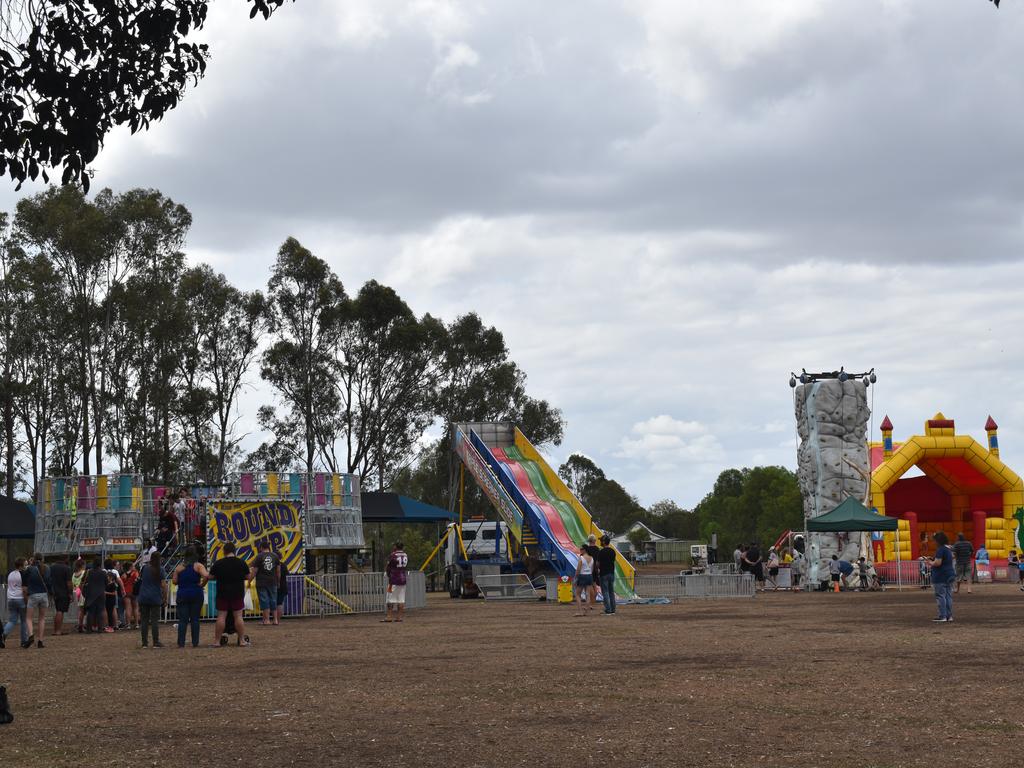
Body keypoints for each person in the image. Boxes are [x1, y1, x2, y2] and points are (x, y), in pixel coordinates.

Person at [209, 541, 251, 646]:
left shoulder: (218, 563)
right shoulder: (241, 562)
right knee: (238, 617)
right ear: (234, 551)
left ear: (224, 551)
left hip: (222, 593)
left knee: (221, 617)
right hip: (237, 593)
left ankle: (217, 641)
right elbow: (248, 577)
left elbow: (210, 577)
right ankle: (241, 640)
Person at [172, 545, 209, 648]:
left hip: (183, 593)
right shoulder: (198, 566)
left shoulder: (179, 568)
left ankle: (181, 642)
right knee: (195, 619)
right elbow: (206, 576)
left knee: (183, 620)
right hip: (196, 593)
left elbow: (174, 581)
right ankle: (195, 642)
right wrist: (202, 585)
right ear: (195, 555)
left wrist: (182, 581)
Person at [137, 552, 166, 647]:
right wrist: (165, 598)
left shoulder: (145, 568)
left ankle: (144, 643)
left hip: (144, 596)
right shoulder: (160, 569)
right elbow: (163, 585)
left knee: (144, 621)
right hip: (155, 597)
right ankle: (155, 641)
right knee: (154, 621)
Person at [250, 540, 280, 626]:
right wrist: (278, 581)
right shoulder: (275, 556)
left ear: (261, 548)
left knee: (264, 600)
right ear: (268, 547)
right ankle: (275, 620)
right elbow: (278, 571)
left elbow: (254, 571)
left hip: (261, 582)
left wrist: (249, 580)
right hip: (273, 581)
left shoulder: (259, 556)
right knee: (273, 600)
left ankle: (266, 620)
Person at [23, 553, 49, 649]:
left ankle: (30, 635)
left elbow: (24, 583)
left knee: (29, 618)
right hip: (44, 595)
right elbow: (49, 581)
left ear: (33, 559)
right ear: (42, 559)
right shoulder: (47, 568)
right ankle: (40, 641)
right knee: (42, 618)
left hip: (33, 595)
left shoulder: (30, 569)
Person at [929, 531, 955, 622]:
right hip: (949, 574)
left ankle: (942, 616)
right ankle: (949, 616)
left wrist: (930, 562)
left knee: (940, 596)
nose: (934, 542)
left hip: (940, 576)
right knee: (948, 595)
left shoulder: (940, 549)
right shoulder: (948, 549)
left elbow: (938, 563)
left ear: (938, 541)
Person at [2, 558, 28, 648]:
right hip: (20, 598)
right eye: (25, 564)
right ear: (21, 566)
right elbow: (24, 589)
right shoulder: (23, 574)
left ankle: (3, 635)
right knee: (24, 620)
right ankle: (24, 641)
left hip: (11, 599)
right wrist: (26, 600)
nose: (26, 566)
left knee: (12, 620)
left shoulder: (11, 574)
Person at [383, 540, 409, 623]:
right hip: (403, 579)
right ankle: (399, 617)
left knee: (390, 598)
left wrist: (387, 573)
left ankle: (389, 616)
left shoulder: (393, 555)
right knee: (401, 599)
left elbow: (388, 566)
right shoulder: (405, 555)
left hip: (394, 579)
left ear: (395, 547)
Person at [48, 554, 72, 636]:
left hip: (55, 592)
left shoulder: (52, 567)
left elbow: (49, 579)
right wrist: (70, 593)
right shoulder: (67, 568)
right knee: (60, 611)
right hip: (64, 592)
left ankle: (57, 630)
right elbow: (69, 583)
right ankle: (58, 631)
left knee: (58, 610)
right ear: (65, 559)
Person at [83, 559, 108, 633]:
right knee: (100, 611)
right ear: (100, 564)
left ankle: (89, 629)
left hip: (91, 593)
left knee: (90, 612)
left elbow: (85, 581)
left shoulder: (89, 572)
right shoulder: (103, 572)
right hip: (101, 594)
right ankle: (100, 628)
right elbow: (106, 583)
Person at [597, 534, 617, 615]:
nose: (600, 542)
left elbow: (598, 564)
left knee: (605, 592)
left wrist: (597, 570)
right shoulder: (613, 551)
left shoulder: (601, 552)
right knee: (611, 591)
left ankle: (608, 609)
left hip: (603, 573)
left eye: (601, 540)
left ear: (604, 542)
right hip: (611, 573)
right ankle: (613, 609)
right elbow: (613, 561)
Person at [573, 543, 596, 617]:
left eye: (581, 549)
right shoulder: (592, 558)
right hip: (589, 576)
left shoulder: (581, 558)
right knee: (587, 594)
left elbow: (578, 569)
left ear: (584, 550)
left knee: (577, 594)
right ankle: (586, 611)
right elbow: (592, 570)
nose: (580, 550)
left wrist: (575, 578)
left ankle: (580, 611)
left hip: (582, 576)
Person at [583, 534, 601, 607]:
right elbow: (599, 560)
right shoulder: (597, 549)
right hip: (595, 570)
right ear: (594, 540)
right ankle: (592, 603)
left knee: (590, 586)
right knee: (594, 586)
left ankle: (591, 603)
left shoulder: (587, 549)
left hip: (588, 569)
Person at [121, 563, 140, 630]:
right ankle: (136, 624)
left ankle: (128, 624)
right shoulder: (135, 573)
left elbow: (121, 583)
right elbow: (137, 580)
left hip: (126, 591)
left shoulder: (123, 574)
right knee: (135, 607)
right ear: (130, 567)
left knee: (128, 608)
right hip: (134, 592)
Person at [71, 559, 87, 632]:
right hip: (83, 592)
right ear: (83, 565)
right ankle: (83, 625)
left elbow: (73, 585)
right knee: (85, 611)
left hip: (76, 593)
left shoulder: (74, 574)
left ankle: (80, 625)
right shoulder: (84, 573)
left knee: (80, 610)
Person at [275, 557, 289, 625]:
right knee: (279, 603)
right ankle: (278, 620)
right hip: (283, 586)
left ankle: (275, 620)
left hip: (276, 586)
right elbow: (287, 573)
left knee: (276, 603)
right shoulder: (283, 565)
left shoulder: (274, 565)